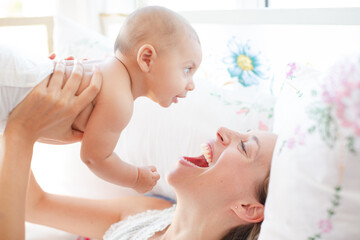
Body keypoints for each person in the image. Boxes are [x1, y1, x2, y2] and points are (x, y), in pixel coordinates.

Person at [0, 6, 203, 193]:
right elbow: (94, 158)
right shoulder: (119, 101)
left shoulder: (104, 70)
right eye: (187, 69)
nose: (191, 84)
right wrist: (136, 178)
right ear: (147, 58)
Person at [24, 127, 277, 240]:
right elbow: (34, 205)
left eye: (244, 147)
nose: (223, 131)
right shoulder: (148, 214)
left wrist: (20, 131)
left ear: (248, 207)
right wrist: (21, 122)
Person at [0, 59, 102, 239]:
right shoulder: (150, 217)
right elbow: (34, 205)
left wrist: (21, 131)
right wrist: (20, 100)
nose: (169, 176)